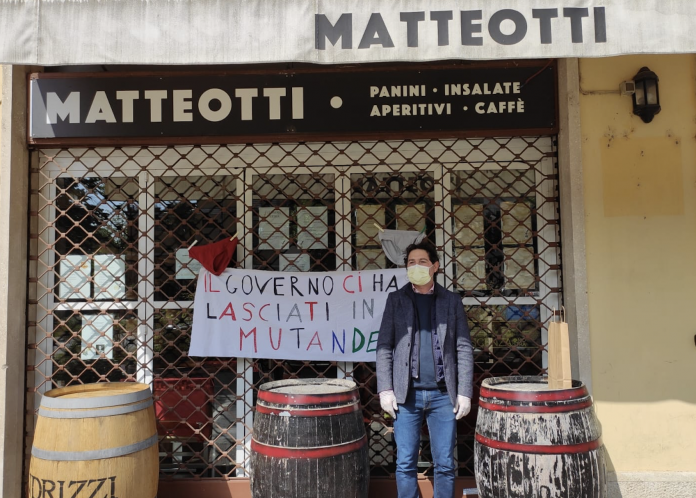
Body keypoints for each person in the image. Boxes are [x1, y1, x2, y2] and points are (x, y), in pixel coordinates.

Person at [376, 240, 474, 498]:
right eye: (410, 263)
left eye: (421, 262)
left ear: (435, 266)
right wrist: (385, 389)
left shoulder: (451, 301)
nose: (415, 266)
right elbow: (384, 346)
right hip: (406, 397)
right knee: (405, 462)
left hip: (443, 396)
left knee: (444, 464)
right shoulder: (396, 300)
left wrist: (464, 392)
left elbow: (463, 347)